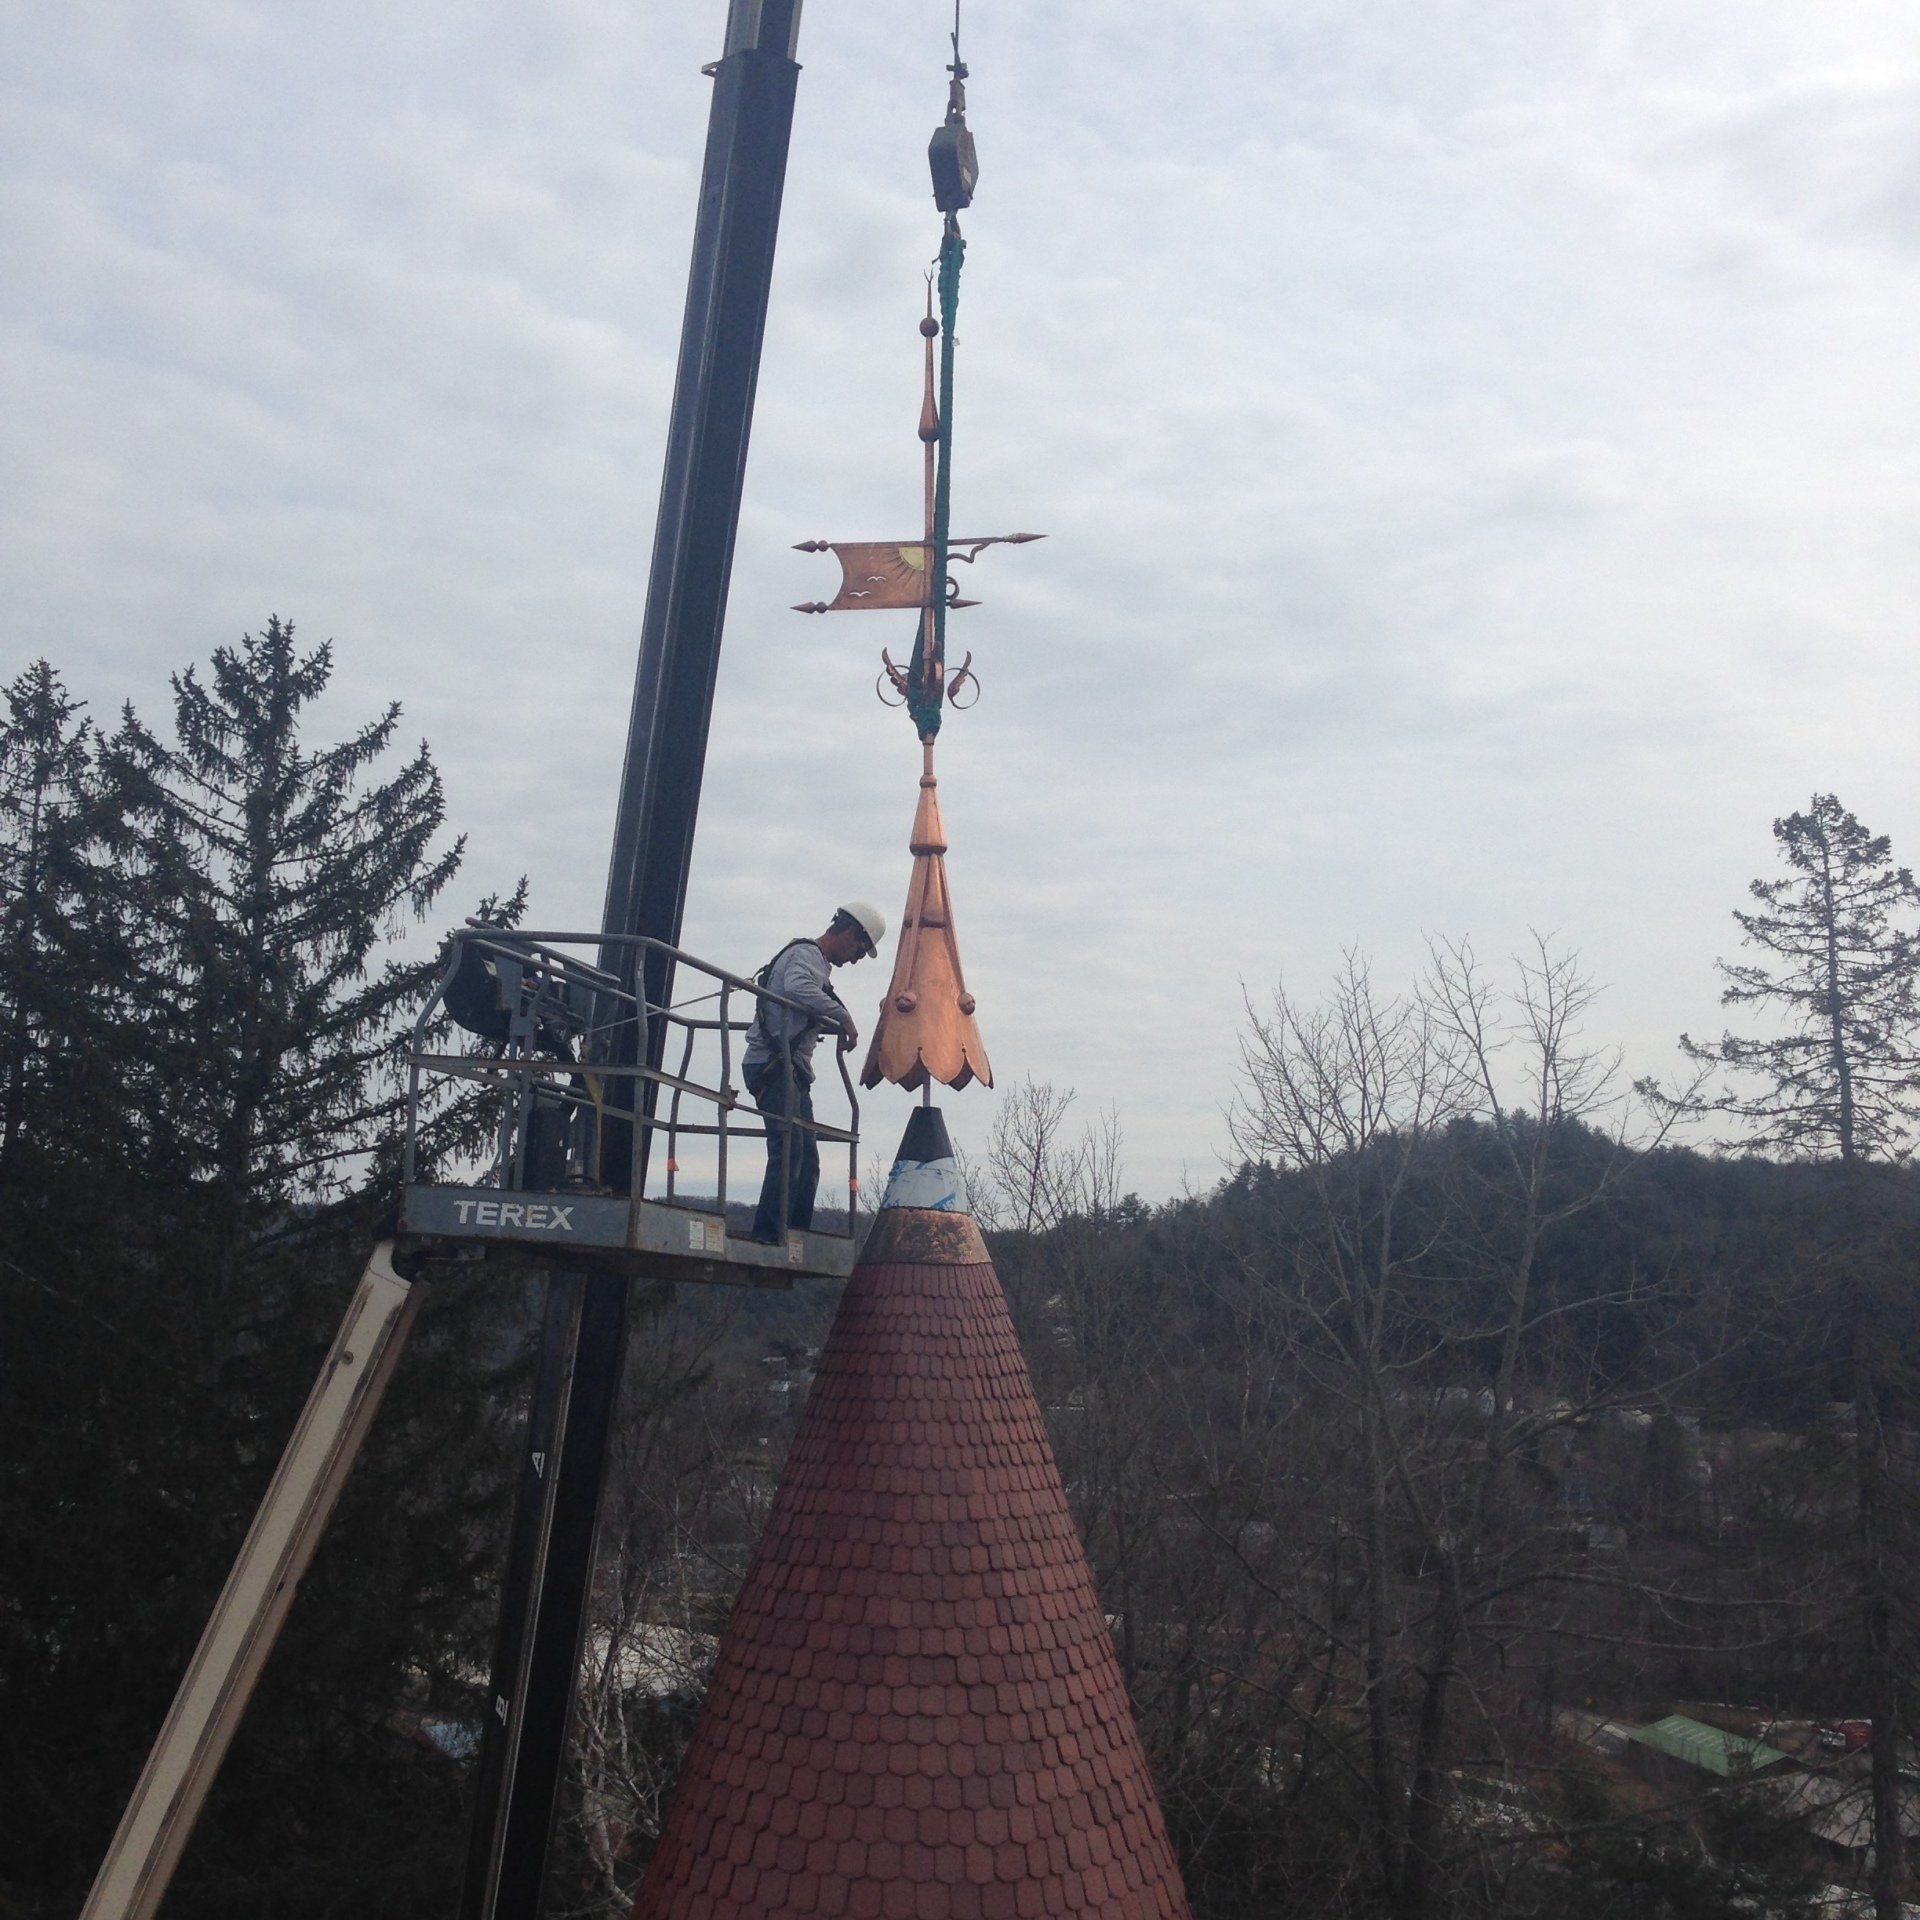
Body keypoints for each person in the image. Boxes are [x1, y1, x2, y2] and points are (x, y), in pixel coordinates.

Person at [742, 901, 886, 1244]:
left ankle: (795, 1235)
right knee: (788, 1149)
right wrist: (843, 1017)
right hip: (773, 1066)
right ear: (850, 933)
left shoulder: (817, 964)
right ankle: (770, 1235)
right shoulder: (806, 956)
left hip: (789, 1069)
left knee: (807, 1159)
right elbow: (797, 988)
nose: (855, 959)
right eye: (859, 951)